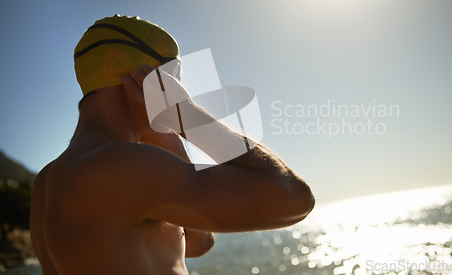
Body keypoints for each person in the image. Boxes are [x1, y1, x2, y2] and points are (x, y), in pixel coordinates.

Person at [30, 15, 315, 275]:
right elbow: (293, 198)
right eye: (172, 71)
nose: (178, 84)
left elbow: (198, 242)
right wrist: (186, 114)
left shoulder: (46, 182)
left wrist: (164, 135)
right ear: (116, 63)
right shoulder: (117, 166)